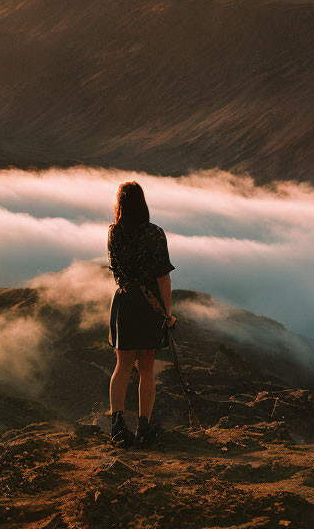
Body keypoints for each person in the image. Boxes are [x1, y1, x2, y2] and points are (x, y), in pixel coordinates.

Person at [106, 180, 177, 447]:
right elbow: (162, 276)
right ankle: (144, 426)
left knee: (122, 366)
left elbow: (117, 270)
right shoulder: (154, 233)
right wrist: (167, 313)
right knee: (146, 369)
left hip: (124, 302)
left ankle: (117, 425)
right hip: (149, 305)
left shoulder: (114, 233)